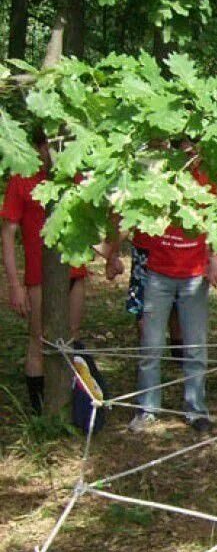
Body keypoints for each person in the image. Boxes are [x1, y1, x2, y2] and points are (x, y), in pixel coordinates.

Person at [108, 155, 217, 435]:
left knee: (195, 347)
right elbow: (129, 219)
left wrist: (215, 259)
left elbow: (216, 223)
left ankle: (195, 408)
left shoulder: (206, 181)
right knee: (151, 346)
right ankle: (148, 407)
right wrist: (111, 252)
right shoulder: (157, 180)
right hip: (158, 275)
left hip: (192, 277)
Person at [0, 133, 104, 413]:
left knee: (70, 334)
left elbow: (90, 223)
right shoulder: (22, 178)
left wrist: (111, 253)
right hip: (39, 276)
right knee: (39, 340)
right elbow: (8, 233)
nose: (54, 153)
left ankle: (68, 398)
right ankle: (41, 411)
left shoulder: (74, 177)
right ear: (39, 147)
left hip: (75, 271)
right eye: (49, 146)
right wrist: (15, 284)